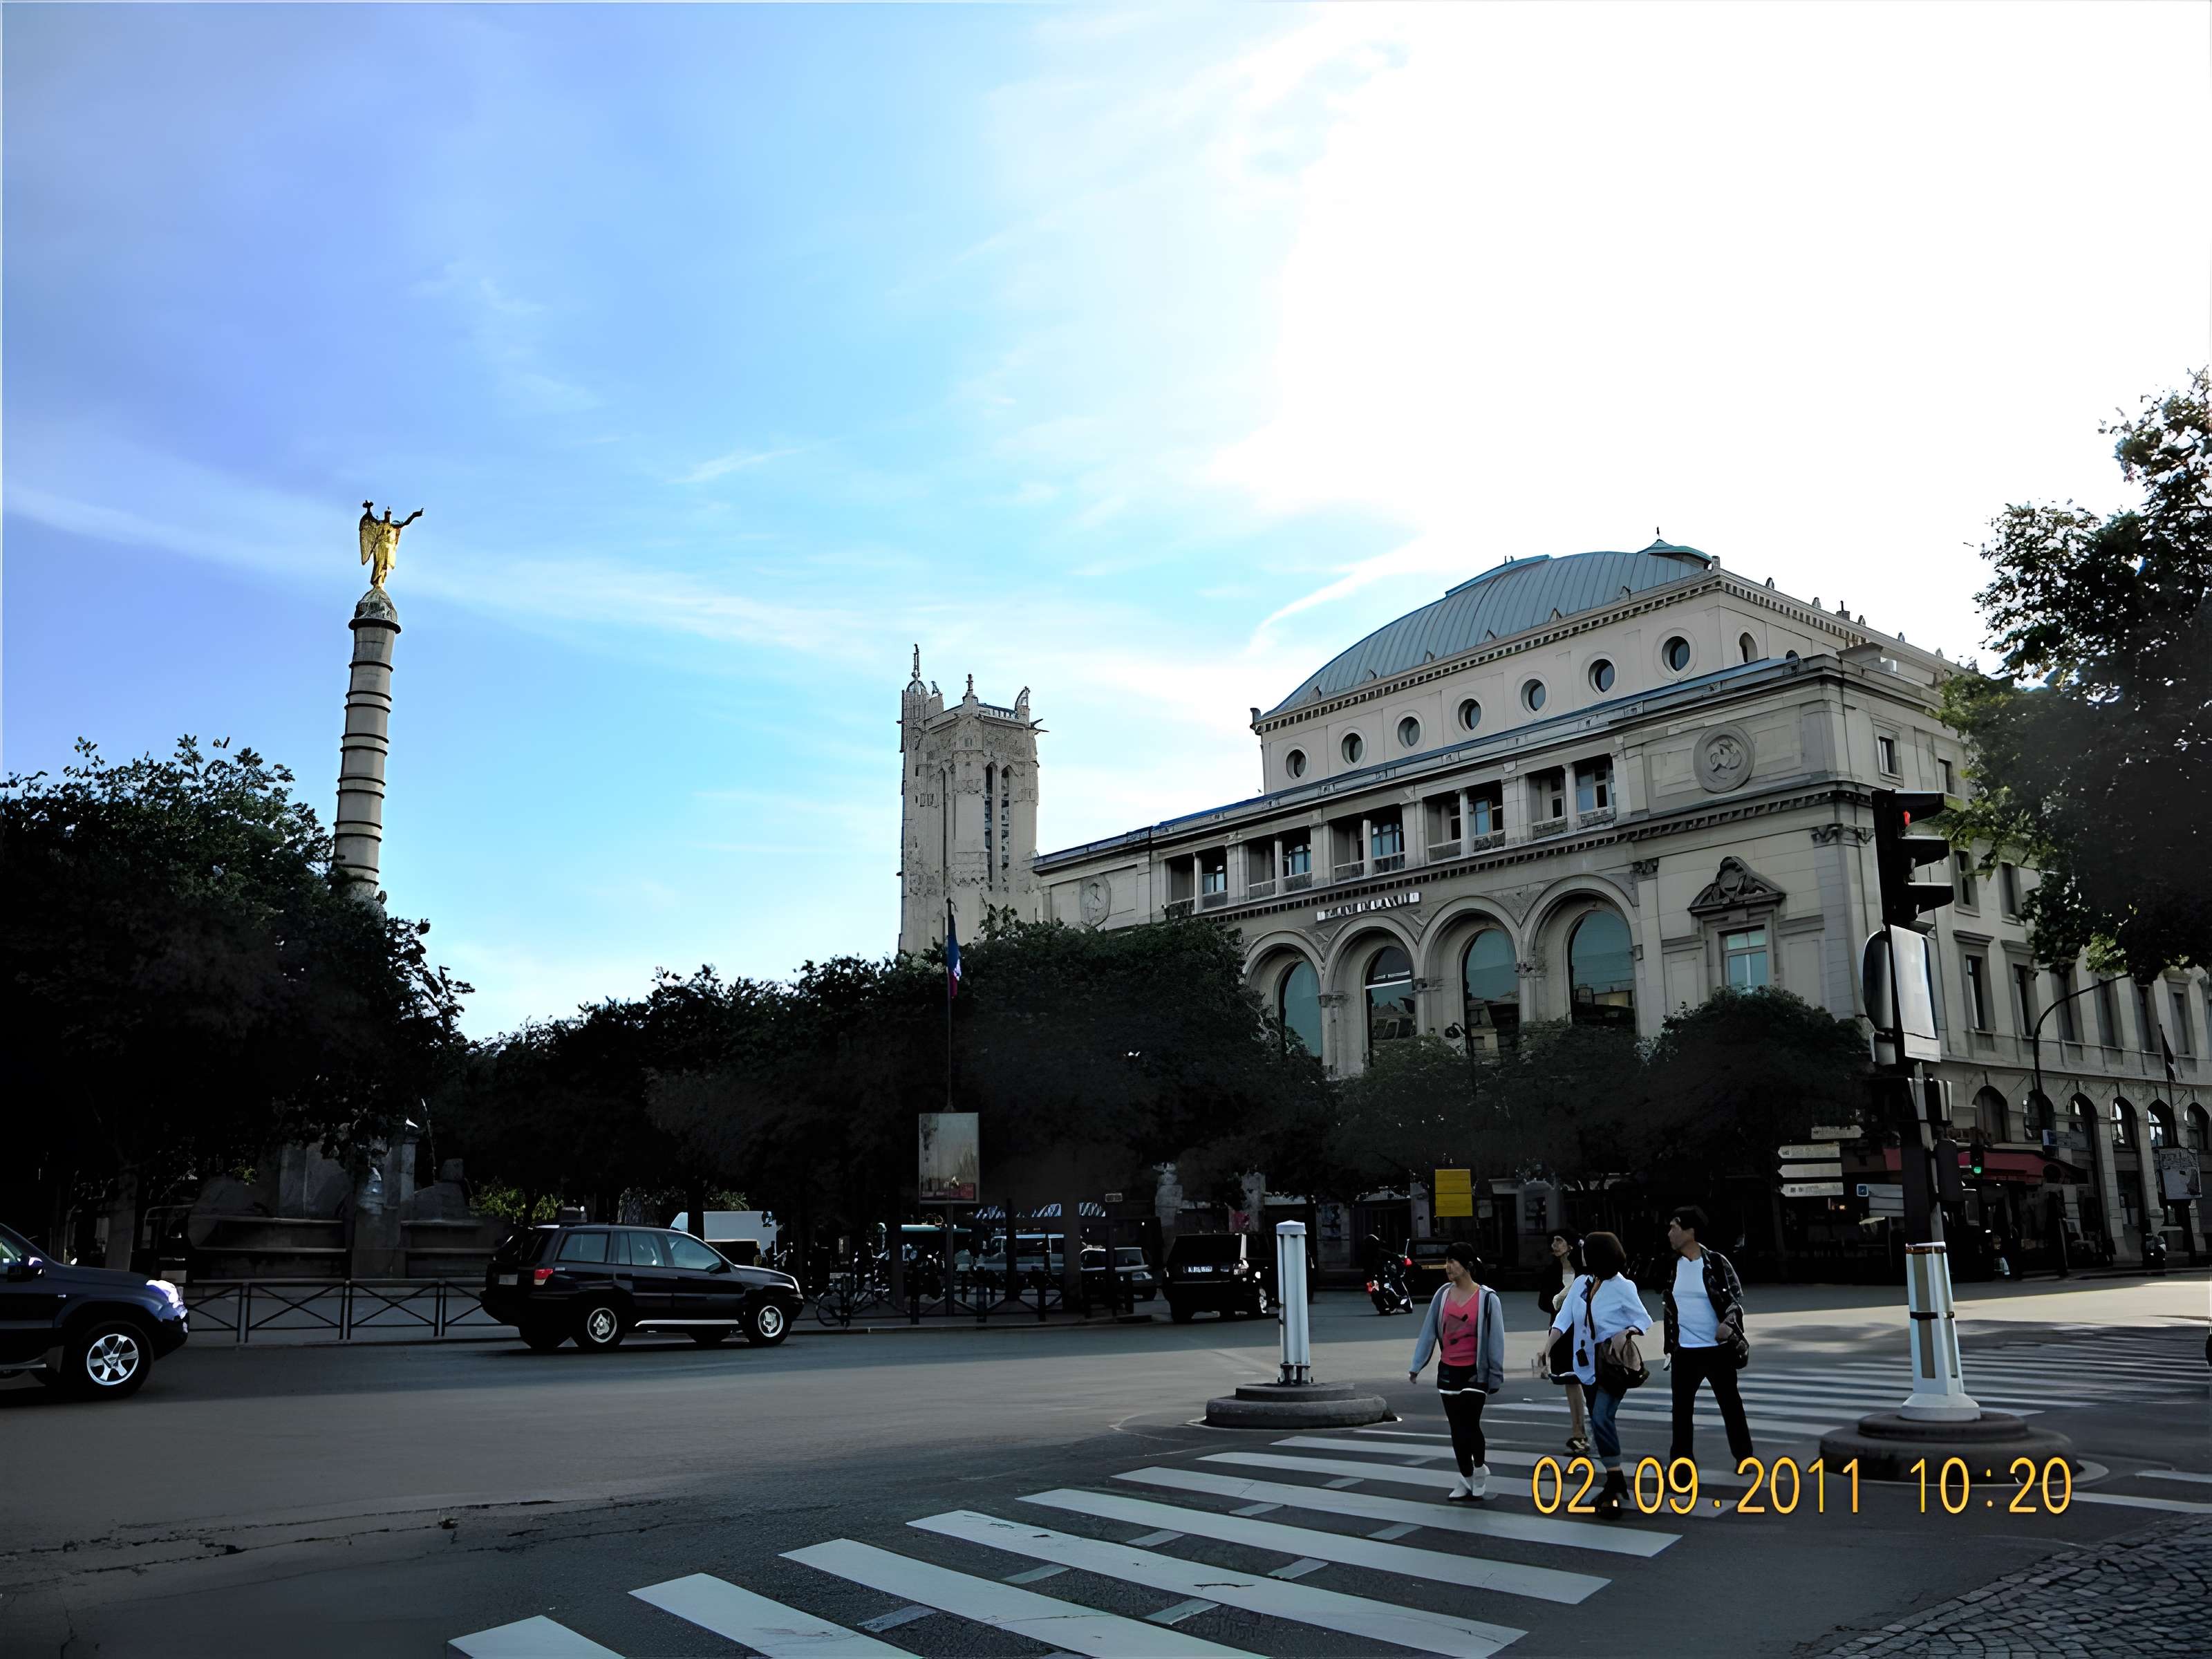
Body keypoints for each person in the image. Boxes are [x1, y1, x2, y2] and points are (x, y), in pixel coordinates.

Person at [1548, 1228, 1649, 1519]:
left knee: (1603, 1417)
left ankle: (1616, 1480)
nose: (1582, 1253)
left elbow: (1643, 1318)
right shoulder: (1583, 1282)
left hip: (1612, 1365)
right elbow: (1565, 1316)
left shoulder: (1623, 1286)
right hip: (1586, 1366)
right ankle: (1614, 1479)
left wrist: (1625, 1332)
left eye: (1587, 1249)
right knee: (1599, 1419)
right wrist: (1548, 1347)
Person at [1408, 1242, 1505, 1501]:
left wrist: (1495, 1375)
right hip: (1448, 1370)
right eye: (1447, 1261)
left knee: (1470, 1425)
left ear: (1467, 1265)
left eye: (1453, 1261)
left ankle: (1479, 1468)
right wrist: (1417, 1365)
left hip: (1476, 1372)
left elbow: (1496, 1339)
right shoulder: (1442, 1295)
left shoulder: (1487, 1298)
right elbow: (1429, 1330)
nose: (1448, 1266)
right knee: (1456, 1428)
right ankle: (1466, 1477)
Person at [1660, 1206, 1754, 1468]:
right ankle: (1681, 1467)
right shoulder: (1671, 1266)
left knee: (1731, 1406)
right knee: (1681, 1413)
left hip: (1717, 1350)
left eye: (1674, 1228)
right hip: (1684, 1351)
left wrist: (1727, 1322)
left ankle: (1744, 1457)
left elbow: (1735, 1300)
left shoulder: (1716, 1263)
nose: (1669, 1233)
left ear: (1690, 1231)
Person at [1537, 1230, 1590, 1454]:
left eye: (1559, 1240)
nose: (1555, 1244)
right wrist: (1562, 1304)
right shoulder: (1551, 1272)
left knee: (1589, 1380)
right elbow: (1543, 1302)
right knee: (1571, 1380)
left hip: (1586, 1331)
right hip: (1561, 1329)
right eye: (1553, 1241)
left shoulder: (1586, 1271)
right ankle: (1579, 1433)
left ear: (1570, 1245)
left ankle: (1591, 1428)